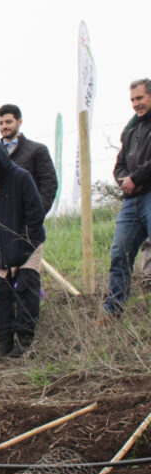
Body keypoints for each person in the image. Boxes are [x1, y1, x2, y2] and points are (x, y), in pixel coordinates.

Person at [0, 137, 46, 356]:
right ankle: (3, 338)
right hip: (0, 249)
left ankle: (24, 339)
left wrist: (24, 248)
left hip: (27, 246)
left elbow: (35, 214)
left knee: (26, 288)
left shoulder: (21, 177)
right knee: (1, 292)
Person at [102, 79, 151, 318]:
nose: (135, 104)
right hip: (132, 201)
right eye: (132, 100)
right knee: (120, 253)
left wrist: (136, 178)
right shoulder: (132, 130)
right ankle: (112, 311)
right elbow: (119, 165)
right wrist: (124, 179)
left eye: (139, 98)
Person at [0, 104, 59, 215]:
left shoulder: (37, 150)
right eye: (1, 123)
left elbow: (49, 183)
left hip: (28, 218)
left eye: (8, 122)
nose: (4, 126)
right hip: (1, 219)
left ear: (19, 122)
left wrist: (37, 212)